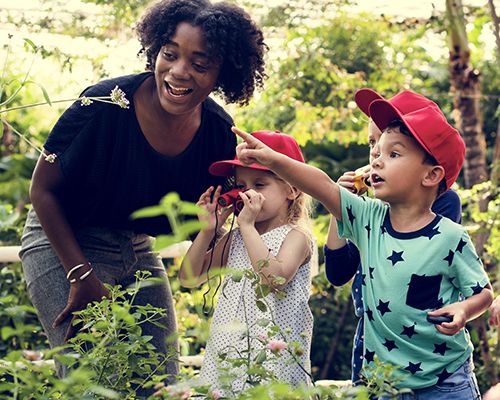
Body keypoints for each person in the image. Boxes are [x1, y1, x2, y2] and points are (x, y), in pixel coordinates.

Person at [19, 0, 267, 385]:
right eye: (170, 54)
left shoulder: (219, 133)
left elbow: (209, 220)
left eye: (199, 64)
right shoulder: (103, 103)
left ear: (222, 73)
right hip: (63, 241)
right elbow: (42, 191)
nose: (178, 72)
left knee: (161, 382)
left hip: (135, 246)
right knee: (93, 378)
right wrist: (80, 274)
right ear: (155, 50)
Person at [233, 90, 494, 399]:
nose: (377, 161)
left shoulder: (451, 235)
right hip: (383, 383)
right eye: (376, 150)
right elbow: (320, 185)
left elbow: (483, 293)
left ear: (431, 175)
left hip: (445, 381)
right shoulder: (367, 215)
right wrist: (273, 159)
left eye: (393, 154)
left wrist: (464, 309)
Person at [324, 88, 462, 385]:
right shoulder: (368, 208)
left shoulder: (445, 203)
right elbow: (337, 273)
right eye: (373, 143)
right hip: (372, 336)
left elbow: (422, 270)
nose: (375, 152)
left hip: (423, 344)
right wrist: (340, 206)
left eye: (390, 148)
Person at [179, 131, 314, 394]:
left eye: (259, 184)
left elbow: (273, 279)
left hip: (274, 364)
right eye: (241, 185)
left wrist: (248, 227)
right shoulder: (237, 236)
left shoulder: (297, 237)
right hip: (228, 358)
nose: (246, 193)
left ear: (293, 189)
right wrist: (207, 231)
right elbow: (190, 277)